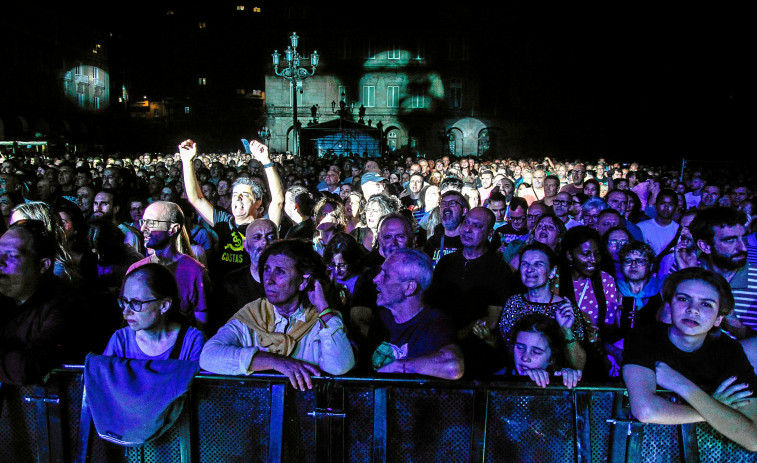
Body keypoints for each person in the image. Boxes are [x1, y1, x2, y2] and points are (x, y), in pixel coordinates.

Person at [622, 267, 757, 452]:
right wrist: (716, 407)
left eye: (706, 304)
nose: (693, 310)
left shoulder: (729, 351)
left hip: (707, 452)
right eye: (683, 299)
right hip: (646, 448)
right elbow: (646, 410)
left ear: (719, 319)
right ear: (669, 306)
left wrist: (680, 384)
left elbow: (754, 439)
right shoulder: (644, 337)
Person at [199, 240, 355, 390]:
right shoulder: (254, 314)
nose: (269, 279)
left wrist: (323, 308)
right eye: (266, 269)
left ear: (303, 282)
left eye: (280, 272)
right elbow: (208, 356)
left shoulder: (321, 320)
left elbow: (340, 366)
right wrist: (275, 361)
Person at [0, 220, 90, 385]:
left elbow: (27, 368)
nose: (0, 262)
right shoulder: (5, 301)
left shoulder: (68, 306)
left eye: (11, 255)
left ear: (43, 265)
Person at [179, 139, 283, 280]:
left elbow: (277, 201)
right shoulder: (224, 221)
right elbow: (196, 198)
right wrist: (187, 161)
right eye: (235, 195)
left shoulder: (263, 226)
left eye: (245, 195)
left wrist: (266, 162)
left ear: (258, 202)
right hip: (226, 292)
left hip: (255, 293)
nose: (238, 198)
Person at [427, 207, 513, 376]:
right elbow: (431, 305)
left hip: (478, 357)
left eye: (477, 226)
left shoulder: (499, 269)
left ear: (489, 233)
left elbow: (492, 320)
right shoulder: (446, 263)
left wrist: (455, 337)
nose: (467, 229)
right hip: (440, 351)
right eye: (466, 222)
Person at [369, 248, 464, 379]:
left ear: (409, 288)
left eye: (385, 275)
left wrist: (397, 367)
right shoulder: (381, 319)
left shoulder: (434, 323)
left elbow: (453, 367)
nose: (376, 279)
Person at [491, 243, 586, 371]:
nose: (529, 269)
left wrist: (566, 330)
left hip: (553, 381)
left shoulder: (565, 309)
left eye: (538, 264)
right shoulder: (513, 302)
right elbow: (505, 348)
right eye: (525, 264)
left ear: (552, 272)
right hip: (517, 376)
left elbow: (579, 365)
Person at [127, 201, 212, 332]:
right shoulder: (136, 269)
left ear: (173, 229)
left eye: (151, 223)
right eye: (143, 222)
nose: (143, 228)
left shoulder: (194, 272)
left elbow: (202, 326)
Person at [104, 263, 205, 360]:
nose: (126, 311)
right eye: (125, 301)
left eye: (136, 303)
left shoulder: (192, 342)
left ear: (164, 305)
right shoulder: (120, 340)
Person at [507, 314, 583, 389]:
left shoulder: (559, 378)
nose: (525, 357)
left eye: (536, 352)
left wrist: (568, 381)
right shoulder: (498, 376)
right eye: (520, 348)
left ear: (551, 358)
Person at [615, 241, 665, 331]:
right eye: (628, 261)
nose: (633, 265)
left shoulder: (662, 289)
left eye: (640, 261)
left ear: (651, 266)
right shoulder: (613, 288)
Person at [424, 190, 469, 267]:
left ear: (464, 211)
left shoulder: (472, 241)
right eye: (443, 203)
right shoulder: (432, 242)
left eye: (452, 203)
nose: (446, 207)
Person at [637, 189, 680, 256]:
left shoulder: (679, 230)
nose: (666, 207)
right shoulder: (641, 227)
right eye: (663, 203)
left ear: (676, 207)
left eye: (670, 204)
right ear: (656, 205)